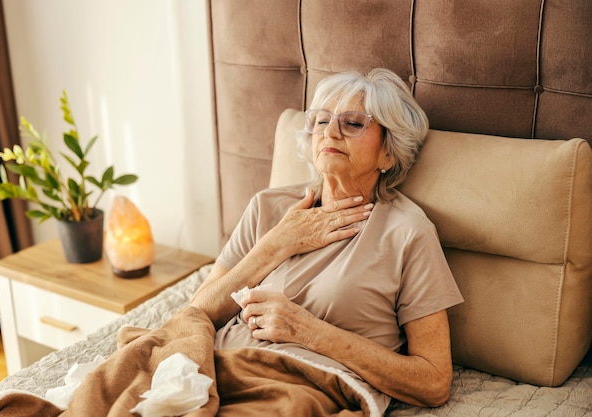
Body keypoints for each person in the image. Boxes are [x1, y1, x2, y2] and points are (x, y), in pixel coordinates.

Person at [190, 68, 464, 412]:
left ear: (388, 154)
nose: (330, 132)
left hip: (293, 390)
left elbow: (434, 382)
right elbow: (196, 313)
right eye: (321, 121)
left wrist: (309, 332)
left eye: (352, 123)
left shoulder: (408, 233)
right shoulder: (268, 206)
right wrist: (277, 243)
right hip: (206, 371)